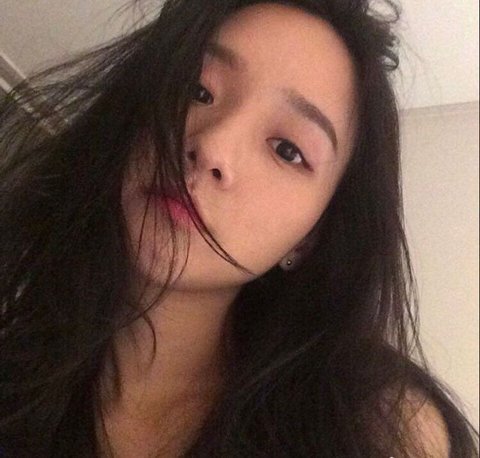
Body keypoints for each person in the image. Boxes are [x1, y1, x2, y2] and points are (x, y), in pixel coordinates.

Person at [0, 0, 478, 457]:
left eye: (287, 150)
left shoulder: (384, 429)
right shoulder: (18, 365)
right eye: (198, 91)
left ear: (310, 237)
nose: (212, 146)